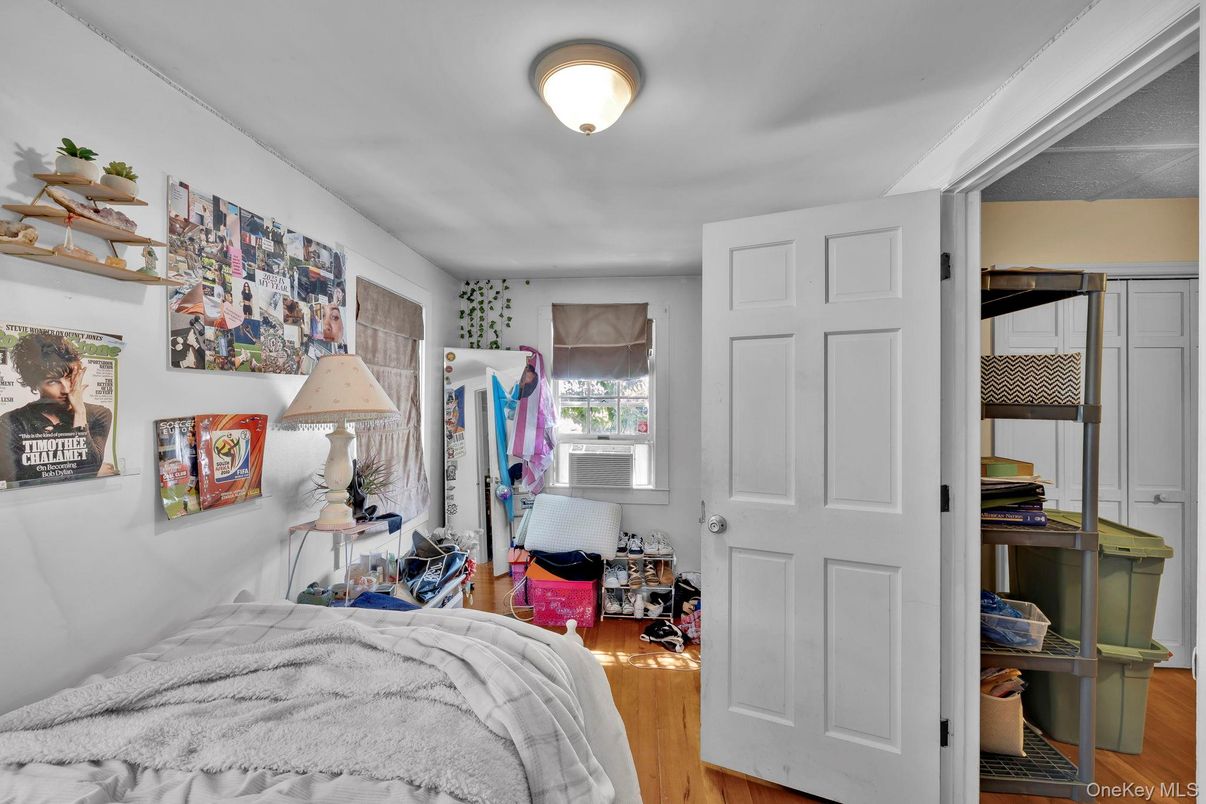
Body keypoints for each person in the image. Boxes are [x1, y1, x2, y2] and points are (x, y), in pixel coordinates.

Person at [0, 333, 115, 484]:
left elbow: (90, 466)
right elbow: (15, 478)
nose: (66, 389)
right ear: (34, 384)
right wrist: (89, 473)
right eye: (53, 381)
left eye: (69, 377)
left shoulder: (99, 414)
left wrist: (80, 412)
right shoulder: (10, 422)